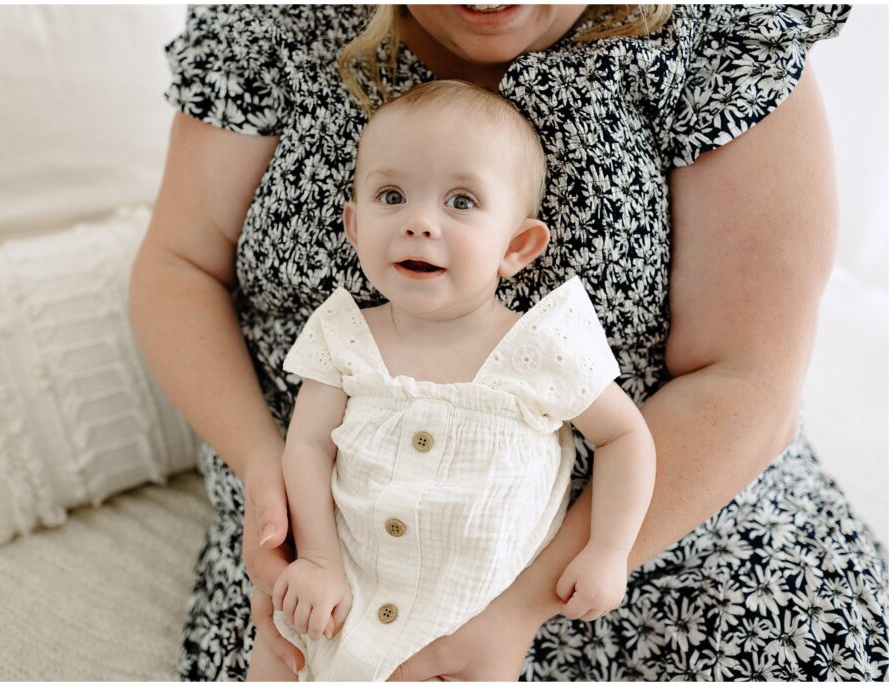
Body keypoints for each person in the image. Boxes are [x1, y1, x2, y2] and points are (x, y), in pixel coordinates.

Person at [130, 4, 888, 681]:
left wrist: (517, 609)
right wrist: (272, 475)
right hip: (336, 547)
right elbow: (178, 265)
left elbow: (745, 379)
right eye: (392, 197)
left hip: (647, 536)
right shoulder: (274, 23)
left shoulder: (719, 35)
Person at [244, 80, 656, 681]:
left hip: (469, 622)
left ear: (515, 247)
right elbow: (305, 447)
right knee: (280, 660)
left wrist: (608, 550)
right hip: (342, 599)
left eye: (460, 202)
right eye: (391, 195)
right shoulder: (346, 337)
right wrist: (317, 560)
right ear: (354, 227)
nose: (418, 222)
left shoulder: (542, 346)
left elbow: (625, 438)